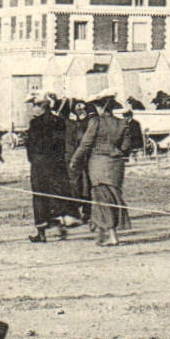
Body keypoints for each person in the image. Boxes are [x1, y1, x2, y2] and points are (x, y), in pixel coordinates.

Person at [69, 94, 140, 246]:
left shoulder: (96, 122)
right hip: (116, 165)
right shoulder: (122, 123)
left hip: (98, 164)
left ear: (101, 107)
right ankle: (101, 233)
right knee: (113, 197)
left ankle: (113, 237)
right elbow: (126, 146)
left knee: (102, 199)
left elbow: (86, 143)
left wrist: (75, 160)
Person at [24, 93, 72, 241]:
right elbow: (62, 143)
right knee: (57, 193)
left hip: (39, 163)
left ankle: (41, 233)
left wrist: (33, 159)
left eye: (34, 105)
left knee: (39, 196)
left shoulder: (35, 123)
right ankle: (61, 227)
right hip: (56, 162)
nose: (33, 109)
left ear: (41, 107)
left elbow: (30, 145)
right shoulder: (59, 121)